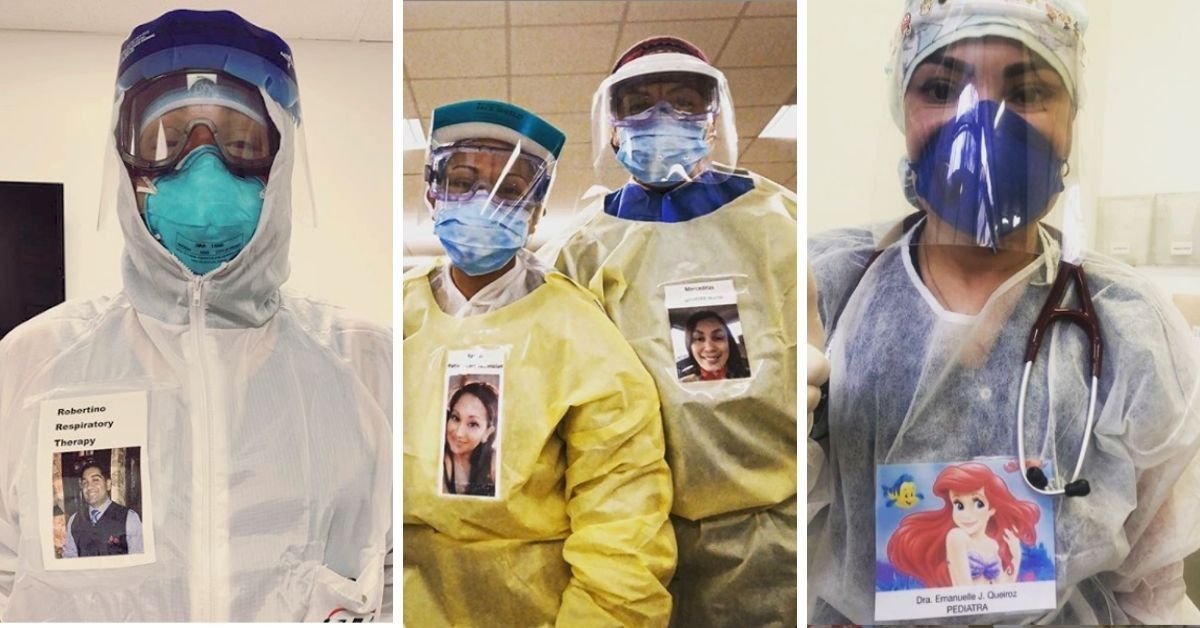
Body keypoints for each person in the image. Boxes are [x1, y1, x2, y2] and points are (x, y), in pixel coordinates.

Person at [808, 1, 1200, 624]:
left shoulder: (1131, 322)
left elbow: (1152, 587)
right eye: (942, 89)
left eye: (1028, 92)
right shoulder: (822, 290)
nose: (983, 122)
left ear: (1071, 120)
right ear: (902, 112)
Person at [0, 10, 391, 621]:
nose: (203, 168)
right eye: (169, 141)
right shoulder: (34, 362)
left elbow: (395, 573)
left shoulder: (363, 360)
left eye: (240, 144)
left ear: (281, 165)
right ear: (129, 167)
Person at [543, 37, 798, 627]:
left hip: (776, 535)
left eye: (683, 102)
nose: (662, 119)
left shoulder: (778, 222)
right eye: (639, 106)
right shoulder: (579, 248)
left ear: (712, 119)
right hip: (632, 538)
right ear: (612, 129)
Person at [404, 99, 676, 627]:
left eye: (509, 190)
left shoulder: (582, 334)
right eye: (462, 181)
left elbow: (624, 530)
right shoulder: (397, 319)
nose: (483, 201)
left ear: (535, 211)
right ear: (433, 191)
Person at [887, 463, 1039, 588]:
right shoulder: (957, 537)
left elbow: (1004, 587)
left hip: (989, 606)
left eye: (978, 503)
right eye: (959, 505)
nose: (966, 514)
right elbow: (965, 588)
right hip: (971, 607)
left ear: (992, 508)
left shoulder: (992, 545)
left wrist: (1016, 557)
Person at [62, 463, 145, 558]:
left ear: (108, 484)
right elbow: (70, 557)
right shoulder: (74, 520)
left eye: (95, 480)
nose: (89, 487)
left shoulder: (129, 518)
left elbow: (138, 558)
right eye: (85, 483)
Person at [441, 381, 498, 496]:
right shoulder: (438, 461)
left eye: (473, 424)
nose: (459, 433)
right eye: (455, 418)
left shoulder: (494, 462)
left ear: (487, 433)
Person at [679, 310, 750, 382]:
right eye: (699, 339)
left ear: (729, 342)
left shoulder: (751, 376)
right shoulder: (680, 383)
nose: (709, 348)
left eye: (718, 337)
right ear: (690, 346)